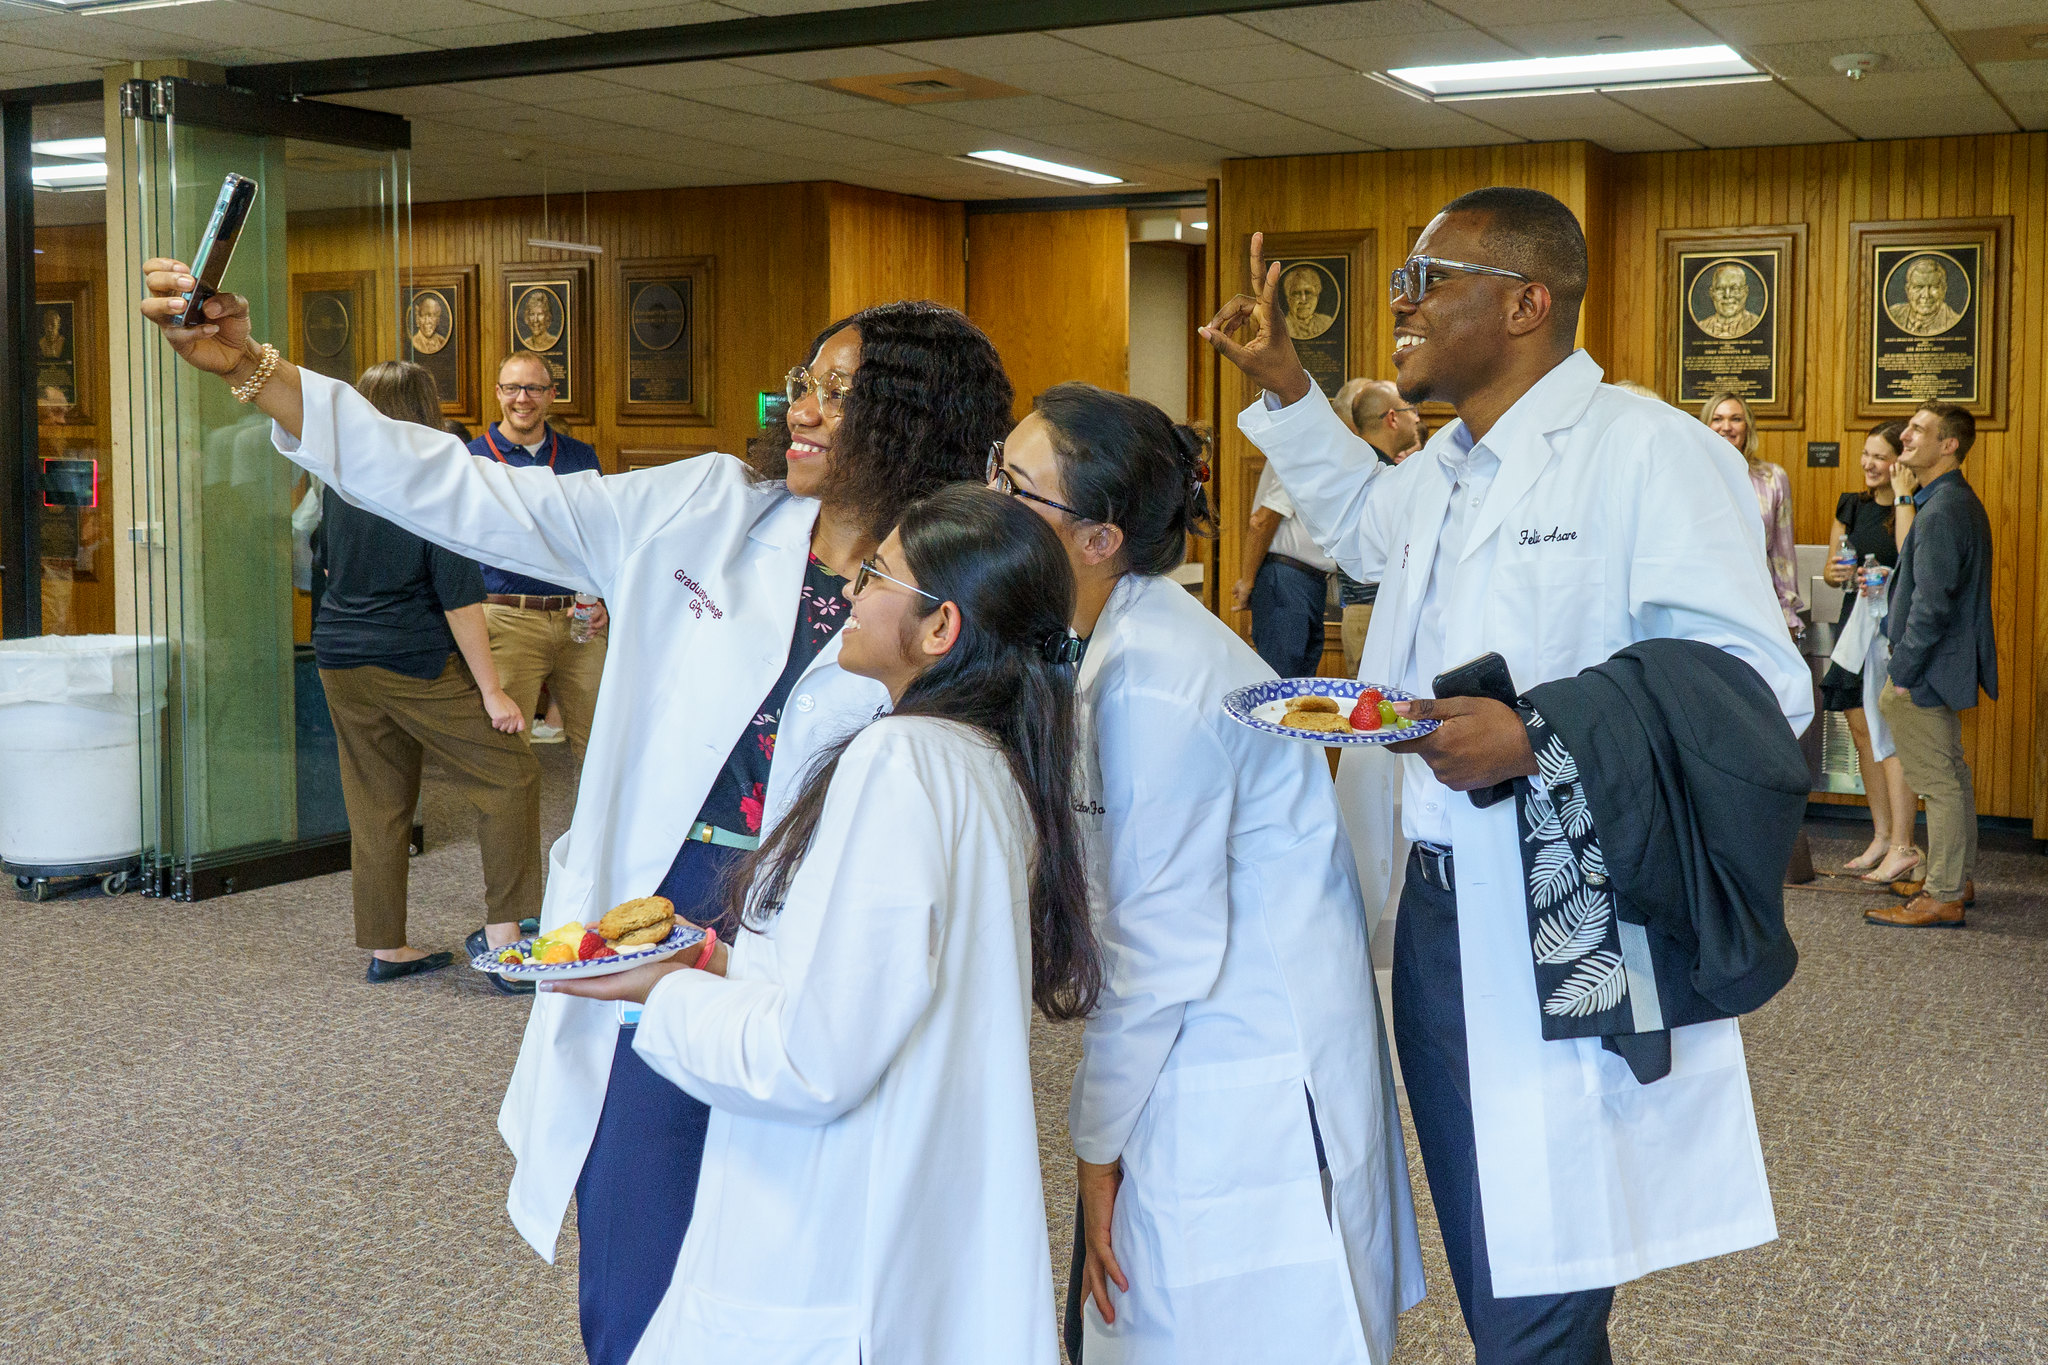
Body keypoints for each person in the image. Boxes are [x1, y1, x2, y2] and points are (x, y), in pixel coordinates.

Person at [135, 266, 1015, 1365]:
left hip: (822, 943)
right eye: (805, 381)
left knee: (797, 1250)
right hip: (653, 915)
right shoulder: (701, 511)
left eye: (839, 395)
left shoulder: (953, 605)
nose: (802, 408)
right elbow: (461, 491)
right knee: (638, 1235)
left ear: (915, 426)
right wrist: (265, 376)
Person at [1209, 189, 1809, 1364]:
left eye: (1427, 279)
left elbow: (1755, 684)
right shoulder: (1447, 463)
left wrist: (1537, 730)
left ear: (1526, 303)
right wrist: (1287, 386)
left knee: (1546, 1269)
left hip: (1567, 904)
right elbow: (1366, 529)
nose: (1401, 308)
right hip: (1433, 906)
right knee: (1493, 1247)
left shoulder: (1647, 449)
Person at [546, 485, 1101, 1364]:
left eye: (877, 574)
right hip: (911, 1200)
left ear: (939, 629)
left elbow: (812, 1057)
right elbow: (866, 976)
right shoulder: (987, 761)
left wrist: (671, 990)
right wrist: (722, 960)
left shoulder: (898, 760)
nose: (847, 592)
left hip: (830, 1223)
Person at [993, 384, 1423, 1365]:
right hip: (1208, 1047)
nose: (990, 502)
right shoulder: (1119, 641)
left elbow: (1156, 950)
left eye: (1016, 487)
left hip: (1241, 1070)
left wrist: (1092, 1144)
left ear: (1097, 538)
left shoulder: (1154, 680)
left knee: (1221, 1329)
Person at [310, 361, 541, 987]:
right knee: (510, 773)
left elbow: (323, 569)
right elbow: (459, 595)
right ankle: (506, 938)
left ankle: (388, 946)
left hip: (337, 655)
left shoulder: (341, 478)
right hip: (409, 657)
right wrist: (492, 691)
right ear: (425, 410)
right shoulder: (433, 477)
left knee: (378, 803)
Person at [1868, 402, 1996, 930]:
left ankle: (1943, 893)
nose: (1906, 434)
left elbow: (1932, 605)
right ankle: (1954, 876)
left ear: (1950, 446)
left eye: (1920, 429)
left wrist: (1903, 675)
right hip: (1941, 664)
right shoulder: (1946, 500)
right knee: (1952, 777)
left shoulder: (1942, 510)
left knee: (1939, 782)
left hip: (1927, 668)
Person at [466, 353, 609, 764]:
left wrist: (602, 601)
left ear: (551, 396)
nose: (522, 398)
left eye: (533, 388)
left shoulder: (581, 458)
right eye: (512, 388)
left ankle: (597, 832)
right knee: (504, 755)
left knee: (604, 750)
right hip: (507, 619)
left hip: (578, 619)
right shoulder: (472, 458)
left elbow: (598, 536)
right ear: (498, 394)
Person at [1820, 422, 1918, 884]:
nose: (1868, 464)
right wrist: (1838, 574)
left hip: (1891, 633)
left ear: (1899, 461)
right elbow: (1833, 567)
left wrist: (1902, 497)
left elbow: (1907, 551)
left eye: (1880, 456)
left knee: (1890, 737)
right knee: (1862, 734)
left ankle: (1904, 841)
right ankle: (1880, 836)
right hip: (1853, 626)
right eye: (1865, 454)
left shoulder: (1911, 504)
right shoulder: (1850, 505)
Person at [1335, 378, 1423, 674]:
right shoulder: (1367, 471)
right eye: (1412, 410)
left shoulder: (1365, 463)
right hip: (1370, 611)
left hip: (1376, 611)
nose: (1418, 418)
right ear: (1392, 418)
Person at [1703, 390, 1801, 637]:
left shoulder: (1772, 478)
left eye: (1735, 419)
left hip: (1758, 603)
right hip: (1705, 602)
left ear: (1748, 427)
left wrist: (1787, 613)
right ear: (1705, 426)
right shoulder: (1690, 476)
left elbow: (1783, 554)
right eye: (1717, 419)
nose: (1726, 427)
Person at [1235, 453, 1335, 678]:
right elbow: (1262, 521)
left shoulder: (1324, 452)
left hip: (1308, 582)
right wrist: (1247, 582)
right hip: (1287, 579)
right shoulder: (1302, 450)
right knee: (1281, 684)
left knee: (1299, 687)